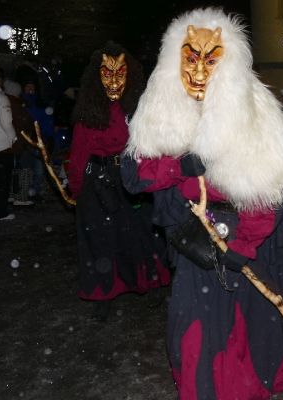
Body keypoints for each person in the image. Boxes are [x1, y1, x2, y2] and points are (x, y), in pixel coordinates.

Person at [121, 8, 283, 399]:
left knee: (244, 326)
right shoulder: (158, 111)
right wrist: (178, 166)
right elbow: (135, 177)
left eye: (211, 60)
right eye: (191, 57)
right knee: (195, 326)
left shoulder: (255, 113)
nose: (199, 71)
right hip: (193, 241)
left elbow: (267, 188)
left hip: (242, 239)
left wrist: (245, 244)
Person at [68, 41, 170, 321]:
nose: (114, 81)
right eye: (107, 73)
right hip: (97, 182)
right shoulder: (89, 112)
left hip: (132, 180)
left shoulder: (138, 109)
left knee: (142, 235)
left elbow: (152, 145)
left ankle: (150, 282)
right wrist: (77, 188)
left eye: (120, 73)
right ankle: (104, 292)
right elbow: (79, 153)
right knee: (100, 240)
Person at [4, 79, 35, 206]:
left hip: (9, 143)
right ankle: (21, 197)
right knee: (24, 169)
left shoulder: (5, 102)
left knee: (13, 169)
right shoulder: (16, 105)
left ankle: (11, 194)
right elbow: (25, 123)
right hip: (20, 142)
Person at [0, 67, 17, 221]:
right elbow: (7, 123)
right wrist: (13, 139)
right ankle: (0, 212)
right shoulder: (1, 98)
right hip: (1, 146)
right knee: (2, 182)